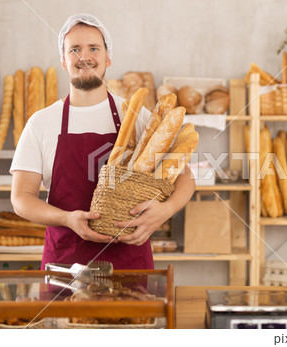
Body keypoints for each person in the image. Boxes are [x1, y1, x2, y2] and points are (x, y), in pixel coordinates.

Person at [10, 14, 196, 270]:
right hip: (66, 268)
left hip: (129, 266)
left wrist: (166, 211)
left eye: (93, 48)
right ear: (63, 61)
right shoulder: (42, 123)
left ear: (108, 57)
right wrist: (66, 219)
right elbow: (21, 198)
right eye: (74, 49)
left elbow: (186, 176)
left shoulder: (135, 116)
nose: (84, 56)